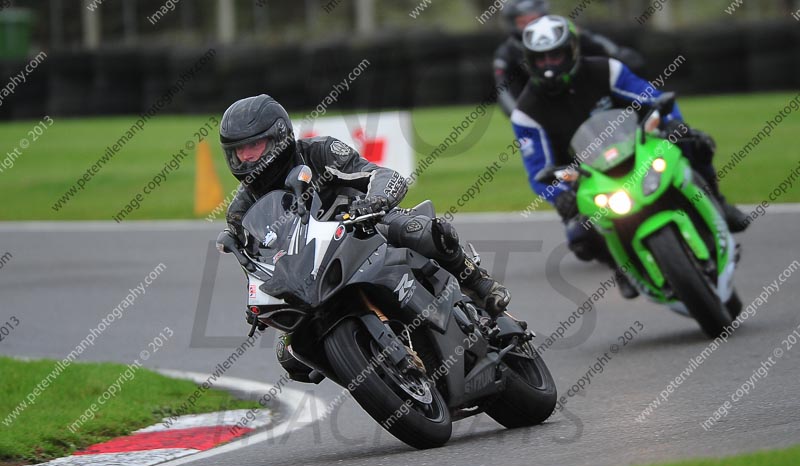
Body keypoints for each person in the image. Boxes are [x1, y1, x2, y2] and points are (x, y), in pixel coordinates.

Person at [219, 95, 511, 380]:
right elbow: (256, 264)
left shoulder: (321, 152)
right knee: (290, 354)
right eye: (238, 151)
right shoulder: (240, 211)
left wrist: (376, 201)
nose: (245, 157)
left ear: (279, 137)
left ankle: (477, 282)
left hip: (365, 228)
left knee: (420, 231)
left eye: (253, 146)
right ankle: (373, 375)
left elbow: (380, 174)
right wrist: (260, 299)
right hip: (310, 271)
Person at [511, 16, 749, 299]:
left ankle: (718, 202)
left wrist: (672, 122)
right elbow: (538, 168)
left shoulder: (606, 70)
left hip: (639, 147)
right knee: (581, 236)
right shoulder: (525, 112)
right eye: (541, 59)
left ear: (572, 49)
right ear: (529, 61)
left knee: (695, 143)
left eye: (555, 55)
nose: (549, 65)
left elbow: (652, 97)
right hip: (588, 177)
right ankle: (619, 265)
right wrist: (559, 194)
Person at [494, 0, 645, 117]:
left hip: (589, 100)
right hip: (546, 110)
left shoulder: (568, 34)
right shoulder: (506, 54)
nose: (548, 63)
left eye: (555, 55)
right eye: (523, 22)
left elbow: (598, 45)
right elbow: (504, 91)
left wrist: (619, 54)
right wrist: (520, 115)